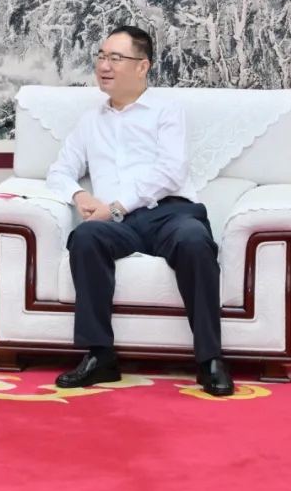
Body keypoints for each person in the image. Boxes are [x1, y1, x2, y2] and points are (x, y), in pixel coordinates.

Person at [45, 25, 234, 397]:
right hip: (117, 224)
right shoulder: (90, 121)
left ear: (142, 66)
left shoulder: (166, 111)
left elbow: (171, 171)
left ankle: (210, 359)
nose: (104, 65)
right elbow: (59, 171)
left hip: (170, 215)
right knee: (86, 237)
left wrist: (116, 206)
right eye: (101, 56)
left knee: (195, 241)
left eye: (115, 58)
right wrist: (80, 196)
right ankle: (100, 356)